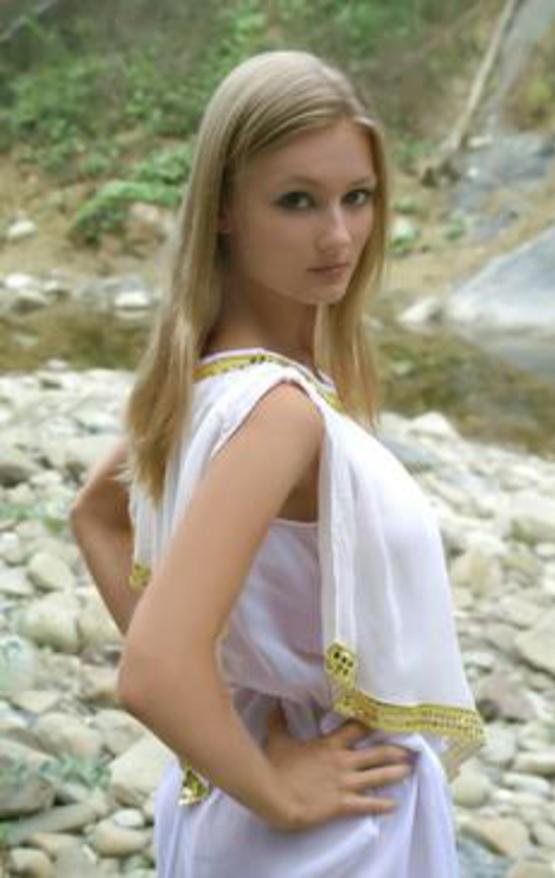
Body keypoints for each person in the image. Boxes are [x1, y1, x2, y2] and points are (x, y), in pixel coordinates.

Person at [71, 49, 485, 877]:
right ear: (224, 208)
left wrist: (226, 725)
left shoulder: (206, 381)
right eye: (297, 201)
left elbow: (98, 518)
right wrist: (274, 790)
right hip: (330, 832)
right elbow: (153, 670)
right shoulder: (276, 414)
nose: (339, 236)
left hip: (252, 807)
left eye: (357, 197)